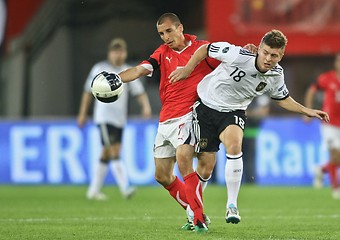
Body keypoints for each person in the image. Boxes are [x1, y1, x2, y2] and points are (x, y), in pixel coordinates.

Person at [98, 13, 256, 233]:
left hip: (191, 115)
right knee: (162, 175)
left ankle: (198, 219)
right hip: (166, 119)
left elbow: (230, 55)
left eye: (169, 31)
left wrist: (246, 51)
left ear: (180, 28)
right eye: (161, 33)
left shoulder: (202, 49)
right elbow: (140, 69)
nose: (165, 37)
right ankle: (193, 209)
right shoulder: (162, 53)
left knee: (184, 160)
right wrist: (117, 77)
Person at [169, 29, 329, 223]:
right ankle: (195, 210)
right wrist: (187, 70)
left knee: (235, 146)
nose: (269, 58)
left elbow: (282, 98)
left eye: (274, 55)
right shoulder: (237, 54)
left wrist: (307, 110)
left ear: (281, 56)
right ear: (259, 49)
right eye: (266, 52)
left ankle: (232, 205)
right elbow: (205, 49)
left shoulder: (276, 75)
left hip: (234, 111)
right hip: (206, 108)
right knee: (206, 166)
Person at [77, 38, 151, 200]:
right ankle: (125, 187)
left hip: (119, 119)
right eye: (115, 51)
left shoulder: (126, 71)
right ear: (109, 53)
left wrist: (145, 106)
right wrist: (83, 113)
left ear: (124, 53)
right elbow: (87, 92)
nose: (118, 54)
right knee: (114, 150)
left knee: (106, 153)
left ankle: (93, 191)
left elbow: (139, 91)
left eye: (121, 51)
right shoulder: (100, 69)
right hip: (103, 118)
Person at [304, 53, 340, 199]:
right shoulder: (327, 78)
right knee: (335, 154)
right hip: (329, 123)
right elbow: (311, 91)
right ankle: (336, 188)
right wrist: (308, 110)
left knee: (337, 158)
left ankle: (320, 169)